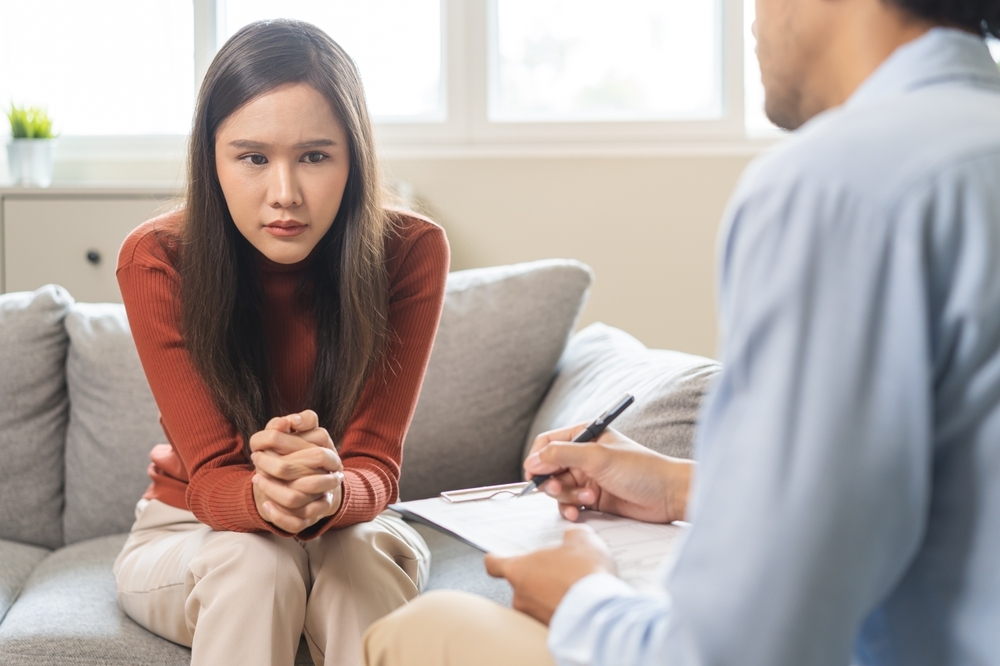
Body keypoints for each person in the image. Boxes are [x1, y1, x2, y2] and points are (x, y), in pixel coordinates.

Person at [362, 0, 1000, 663]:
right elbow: (939, 488)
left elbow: (737, 650)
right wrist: (678, 487)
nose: (751, 18)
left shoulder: (838, 186)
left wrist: (582, 598)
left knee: (422, 630)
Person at [112, 19, 449, 666]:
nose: (285, 194)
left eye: (315, 156)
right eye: (253, 157)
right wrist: (266, 497)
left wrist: (331, 494)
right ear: (211, 157)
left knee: (353, 573)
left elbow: (375, 465)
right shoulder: (156, 259)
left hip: (353, 525)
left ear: (354, 159)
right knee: (255, 564)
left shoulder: (409, 252)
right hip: (192, 526)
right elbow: (210, 479)